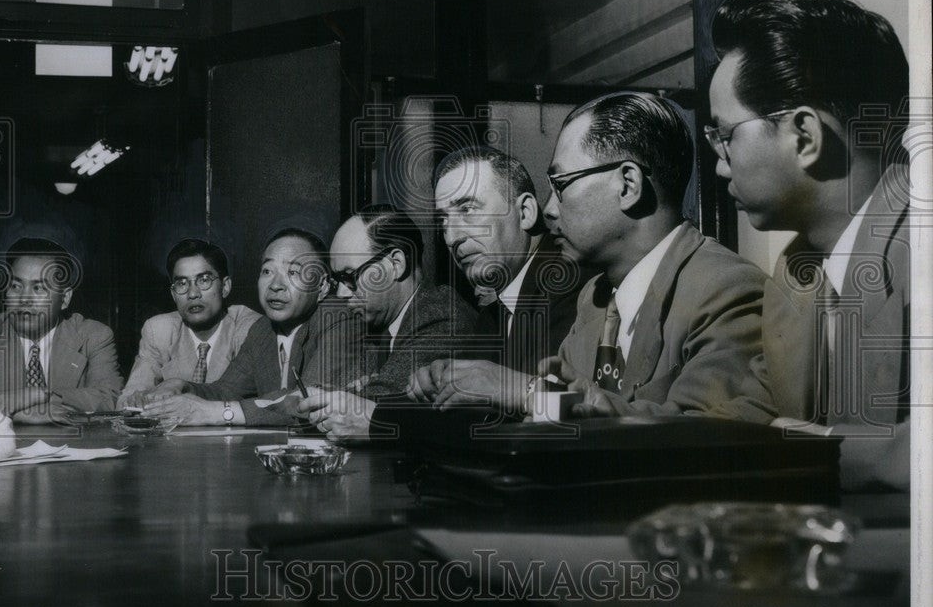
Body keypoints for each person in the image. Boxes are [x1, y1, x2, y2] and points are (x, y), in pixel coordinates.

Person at [405, 92, 776, 426]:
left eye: (561, 184)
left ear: (627, 185)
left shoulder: (726, 289)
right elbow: (567, 426)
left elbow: (713, 438)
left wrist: (526, 392)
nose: (549, 210)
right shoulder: (595, 299)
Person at [708, 0, 911, 490]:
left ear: (803, 136)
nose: (718, 164)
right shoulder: (797, 272)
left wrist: (809, 450)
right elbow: (744, 414)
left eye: (724, 136)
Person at [405, 145, 586, 409]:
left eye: (467, 210)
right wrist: (438, 382)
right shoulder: (499, 304)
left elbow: (580, 414)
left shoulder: (570, 282)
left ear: (525, 213)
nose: (452, 237)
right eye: (443, 220)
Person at [142, 228, 356, 426]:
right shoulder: (263, 329)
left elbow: (308, 399)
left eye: (293, 272)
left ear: (323, 285)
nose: (275, 285)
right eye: (267, 271)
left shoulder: (337, 315)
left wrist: (214, 413)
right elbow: (226, 391)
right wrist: (181, 385)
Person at [297, 204, 477, 433]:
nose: (342, 294)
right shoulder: (379, 324)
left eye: (350, 277)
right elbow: (345, 395)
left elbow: (379, 403)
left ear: (395, 264)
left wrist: (355, 393)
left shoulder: (442, 318)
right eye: (338, 281)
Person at [0, 237, 123, 421]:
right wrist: (21, 415)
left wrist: (41, 394)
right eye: (16, 286)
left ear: (65, 298)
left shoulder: (93, 336)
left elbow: (110, 399)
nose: (24, 299)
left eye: (39, 288)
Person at [118, 239, 260, 407]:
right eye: (182, 283)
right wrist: (136, 400)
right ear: (173, 294)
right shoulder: (159, 330)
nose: (193, 294)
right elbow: (126, 400)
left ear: (225, 286)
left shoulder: (248, 327)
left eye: (204, 280)